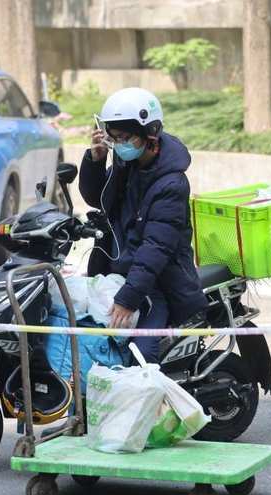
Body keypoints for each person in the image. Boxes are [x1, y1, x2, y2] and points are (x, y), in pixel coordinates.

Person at [79, 87, 208, 364]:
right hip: (121, 275)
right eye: (113, 138)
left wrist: (128, 298)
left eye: (125, 138)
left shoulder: (171, 184)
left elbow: (155, 248)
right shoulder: (128, 165)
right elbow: (98, 199)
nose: (119, 144)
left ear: (151, 134)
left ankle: (150, 400)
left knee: (138, 357)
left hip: (156, 285)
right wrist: (96, 160)